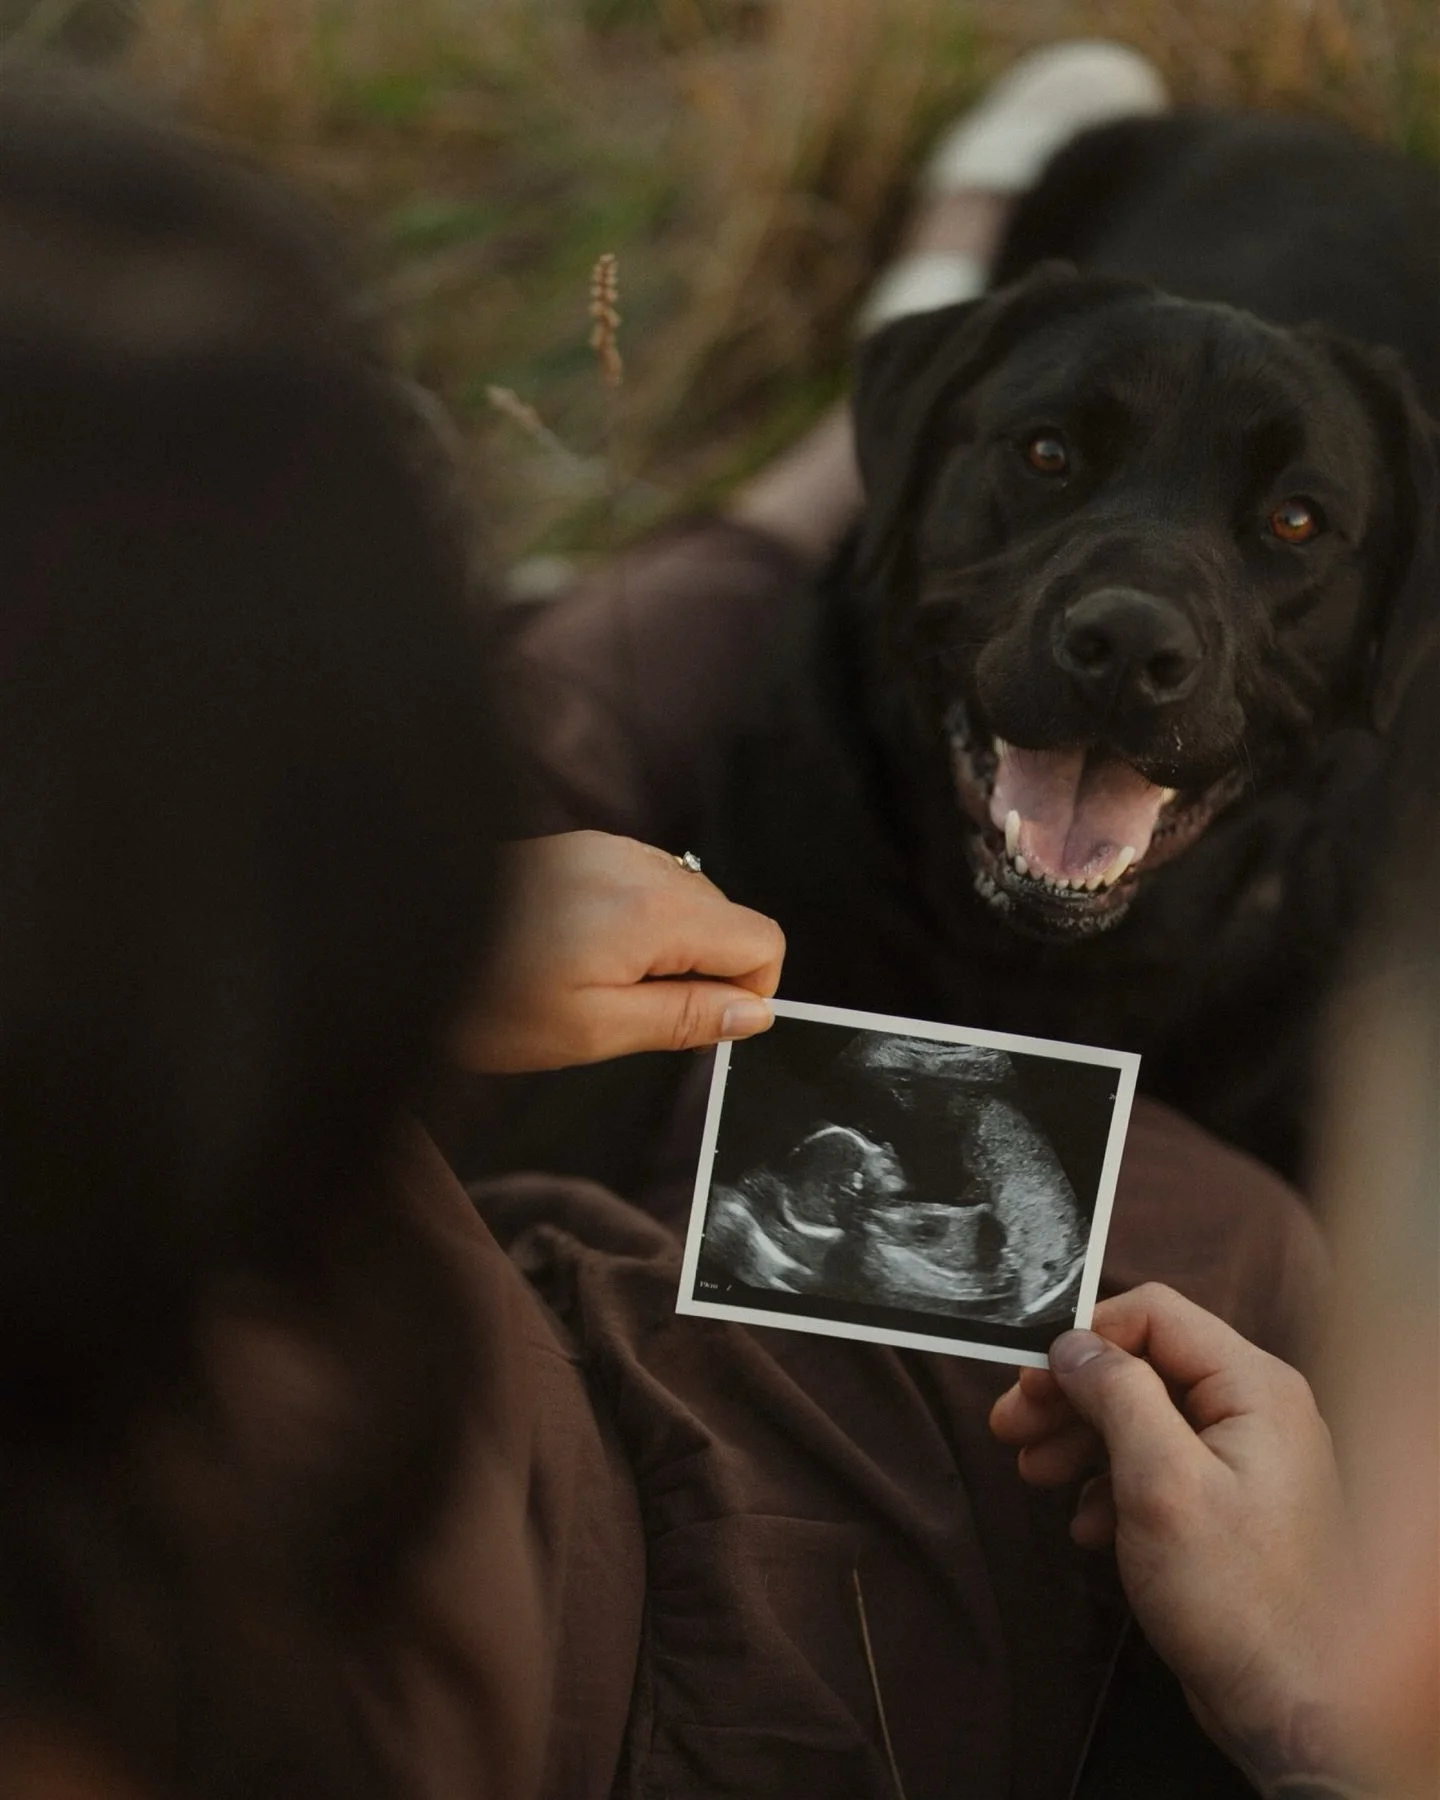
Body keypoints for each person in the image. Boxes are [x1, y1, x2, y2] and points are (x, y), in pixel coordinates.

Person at [0, 51, 1379, 1800]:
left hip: (418, 1332)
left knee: (541, 759)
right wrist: (1305, 1718)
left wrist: (410, 967)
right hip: (658, 1608)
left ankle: (815, 490)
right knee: (1223, 1239)